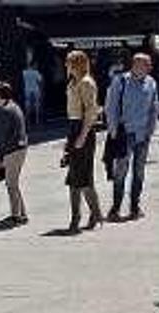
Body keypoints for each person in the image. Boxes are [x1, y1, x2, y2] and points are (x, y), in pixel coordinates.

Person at [104, 53, 159, 222]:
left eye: (149, 65)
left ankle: (135, 206)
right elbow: (111, 106)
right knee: (120, 172)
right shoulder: (120, 81)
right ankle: (115, 208)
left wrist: (151, 129)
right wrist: (113, 130)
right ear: (136, 65)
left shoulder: (151, 83)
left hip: (143, 135)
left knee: (139, 173)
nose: (150, 68)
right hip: (124, 133)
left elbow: (154, 107)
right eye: (146, 64)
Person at [64, 50, 104, 232]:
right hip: (73, 127)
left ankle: (85, 216)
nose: (66, 65)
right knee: (76, 176)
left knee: (81, 178)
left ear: (77, 64)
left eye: (69, 62)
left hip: (82, 128)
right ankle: (91, 215)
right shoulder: (73, 83)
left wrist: (82, 135)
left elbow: (91, 111)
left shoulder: (86, 83)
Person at [0, 82, 28, 225]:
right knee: (14, 183)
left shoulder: (5, 111)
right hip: (20, 148)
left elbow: (3, 137)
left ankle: (15, 216)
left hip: (12, 151)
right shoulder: (15, 106)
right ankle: (22, 213)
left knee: (11, 184)